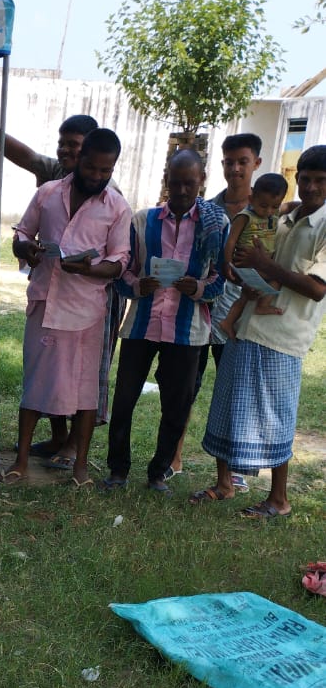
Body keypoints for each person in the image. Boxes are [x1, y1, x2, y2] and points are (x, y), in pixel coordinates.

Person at [0, 101, 110, 464]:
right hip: (51, 288)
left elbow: (120, 254)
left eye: (73, 145)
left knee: (80, 372)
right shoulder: (54, 179)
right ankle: (57, 435)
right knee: (49, 365)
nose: (65, 151)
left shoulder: (106, 191)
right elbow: (24, 156)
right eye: (62, 144)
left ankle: (74, 446)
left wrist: (93, 268)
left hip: (89, 296)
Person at [196, 145, 326, 518]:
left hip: (283, 335)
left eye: (321, 180)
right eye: (305, 178)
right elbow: (254, 255)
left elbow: (317, 289)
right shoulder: (283, 216)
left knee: (275, 417)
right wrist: (245, 272)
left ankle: (278, 498)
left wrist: (264, 265)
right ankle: (225, 483)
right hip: (245, 326)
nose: (311, 187)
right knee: (226, 405)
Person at [2, 128, 131, 489]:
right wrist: (25, 248)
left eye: (105, 171)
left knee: (85, 393)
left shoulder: (117, 207)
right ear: (79, 159)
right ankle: (20, 462)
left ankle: (81, 469)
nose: (97, 176)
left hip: (87, 311)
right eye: (91, 168)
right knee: (35, 384)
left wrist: (88, 269)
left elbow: (120, 262)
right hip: (45, 302)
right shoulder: (47, 193)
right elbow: (22, 233)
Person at [101, 150, 227, 494]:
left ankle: (158, 472)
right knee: (124, 399)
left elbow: (221, 278)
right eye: (176, 182)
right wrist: (136, 285)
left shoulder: (215, 225)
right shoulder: (143, 221)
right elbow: (122, 269)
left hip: (188, 332)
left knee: (176, 405)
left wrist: (197, 288)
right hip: (141, 326)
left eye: (190, 183)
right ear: (166, 180)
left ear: (202, 181)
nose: (182, 190)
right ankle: (117, 469)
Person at [167, 132, 265, 482]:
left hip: (240, 319)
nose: (235, 169)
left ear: (256, 163)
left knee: (235, 393)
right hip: (199, 314)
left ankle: (234, 469)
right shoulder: (206, 209)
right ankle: (173, 458)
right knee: (185, 390)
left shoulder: (267, 212)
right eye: (229, 162)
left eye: (243, 162)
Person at [218, 173, 289, 339]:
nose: (268, 211)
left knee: (247, 294)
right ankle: (261, 306)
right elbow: (231, 240)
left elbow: (290, 206)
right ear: (251, 199)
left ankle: (228, 321)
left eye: (274, 206)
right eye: (263, 206)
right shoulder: (245, 216)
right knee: (277, 277)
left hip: (262, 263)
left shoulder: (274, 214)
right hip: (247, 261)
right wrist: (227, 263)